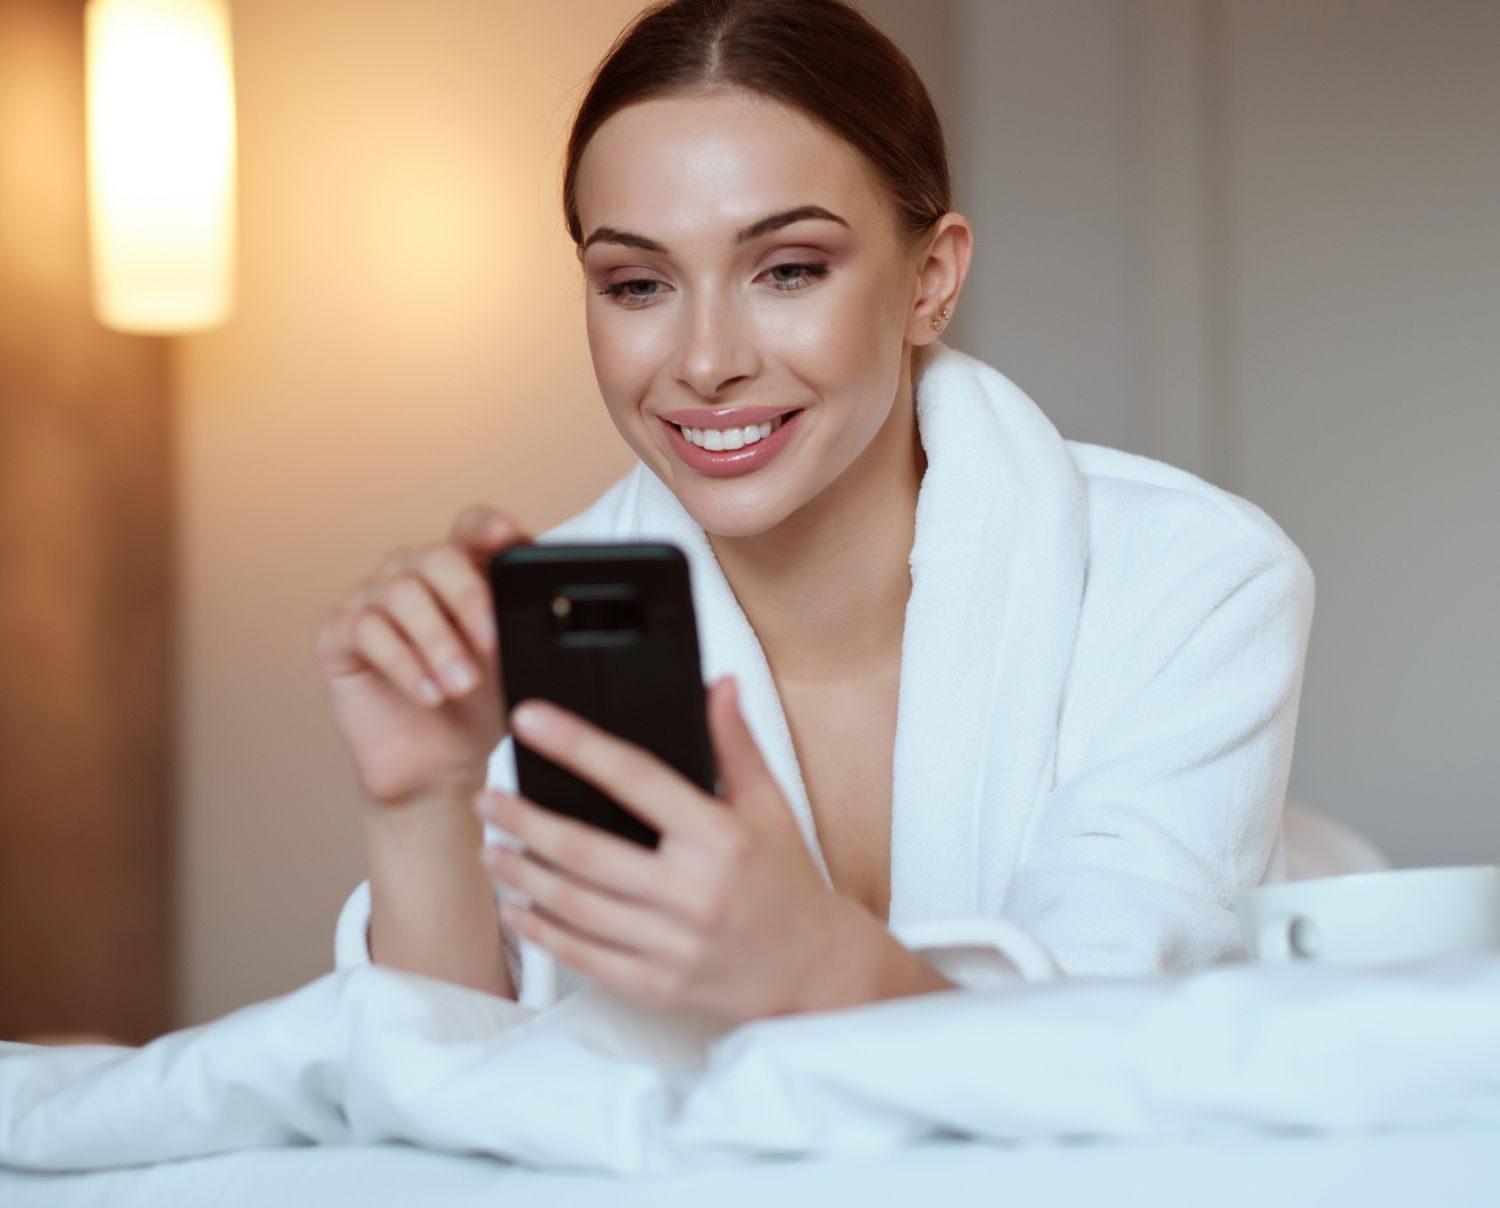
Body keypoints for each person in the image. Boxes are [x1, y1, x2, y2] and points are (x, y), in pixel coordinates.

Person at [315, 0, 1313, 1025]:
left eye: (788, 268)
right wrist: (421, 805)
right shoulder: (524, 639)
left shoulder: (1192, 577)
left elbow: (1118, 1039)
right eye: (637, 283)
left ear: (931, 280)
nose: (706, 360)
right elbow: (450, 1107)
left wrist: (816, 963)